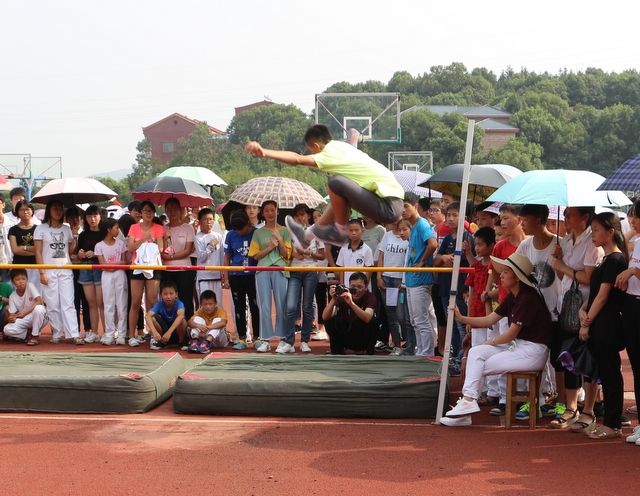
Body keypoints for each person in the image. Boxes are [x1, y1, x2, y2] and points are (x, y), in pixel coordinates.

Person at [440, 253, 552, 427]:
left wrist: (489, 342)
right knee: (476, 352)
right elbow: (489, 319)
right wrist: (462, 319)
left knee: (480, 365)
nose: (501, 275)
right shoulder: (513, 295)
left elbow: (510, 334)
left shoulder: (528, 298)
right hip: (519, 347)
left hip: (534, 352)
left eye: (506, 272)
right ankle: (468, 403)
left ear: (517, 277)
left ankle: (467, 406)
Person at [246, 124, 404, 246]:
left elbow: (297, 159)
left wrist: (264, 152)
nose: (314, 156)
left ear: (316, 146)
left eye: (312, 151)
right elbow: (353, 144)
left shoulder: (328, 155)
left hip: (387, 206)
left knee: (335, 183)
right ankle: (306, 236)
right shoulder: (342, 147)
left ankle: (340, 232)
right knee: (338, 193)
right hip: (389, 201)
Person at [574, 212, 628, 439]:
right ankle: (611, 422)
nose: (593, 234)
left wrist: (586, 322)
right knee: (605, 373)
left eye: (596, 230)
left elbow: (603, 296)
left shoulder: (615, 260)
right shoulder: (606, 259)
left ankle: (613, 424)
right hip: (599, 320)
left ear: (611, 232)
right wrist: (582, 309)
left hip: (607, 322)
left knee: (610, 373)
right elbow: (595, 293)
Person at [549, 207, 602, 429]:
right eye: (565, 214)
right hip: (566, 306)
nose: (566, 218)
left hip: (584, 308)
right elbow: (561, 275)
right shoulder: (566, 240)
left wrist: (563, 266)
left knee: (587, 358)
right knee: (568, 356)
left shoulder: (592, 242)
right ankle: (571, 408)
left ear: (585, 217)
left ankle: (589, 409)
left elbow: (590, 278)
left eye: (570, 214)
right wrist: (559, 261)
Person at [482, 203, 527, 414]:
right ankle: (503, 397)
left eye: (506, 218)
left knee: (524, 351)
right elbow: (492, 275)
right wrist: (487, 298)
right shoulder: (500, 247)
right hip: (504, 307)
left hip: (525, 308)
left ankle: (526, 397)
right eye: (500, 218)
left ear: (519, 220)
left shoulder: (528, 245)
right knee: (503, 350)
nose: (502, 222)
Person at [34, 199, 84, 345]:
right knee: (53, 303)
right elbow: (38, 252)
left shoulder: (67, 229)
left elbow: (70, 251)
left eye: (60, 208)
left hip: (65, 269)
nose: (58, 211)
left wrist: (75, 235)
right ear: (49, 210)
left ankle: (74, 334)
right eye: (55, 208)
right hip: (49, 269)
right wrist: (42, 272)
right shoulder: (40, 229)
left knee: (68, 302)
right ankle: (56, 333)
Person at [434, 202, 476, 367]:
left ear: (463, 217)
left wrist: (466, 252)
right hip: (446, 286)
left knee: (461, 326)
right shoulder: (447, 238)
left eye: (454, 215)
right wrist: (445, 258)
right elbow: (436, 260)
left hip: (460, 287)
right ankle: (453, 358)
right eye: (448, 215)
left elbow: (474, 263)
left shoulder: (468, 238)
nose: (450, 218)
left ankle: (460, 359)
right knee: (451, 325)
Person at [248, 200, 292, 353]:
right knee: (264, 306)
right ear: (262, 213)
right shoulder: (258, 233)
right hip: (262, 270)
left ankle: (282, 338)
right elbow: (255, 255)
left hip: (280, 269)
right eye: (266, 210)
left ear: (277, 211)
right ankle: (265, 339)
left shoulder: (284, 231)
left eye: (272, 210)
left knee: (281, 305)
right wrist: (271, 246)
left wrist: (280, 240)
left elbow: (286, 255)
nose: (270, 213)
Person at [281, 208, 325, 354]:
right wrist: (293, 254)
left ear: (308, 215)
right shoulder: (290, 232)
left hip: (310, 271)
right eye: (297, 215)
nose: (300, 218)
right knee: (290, 306)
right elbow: (285, 250)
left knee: (307, 306)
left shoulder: (316, 232)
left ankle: (304, 341)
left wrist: (306, 252)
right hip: (294, 271)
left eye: (302, 214)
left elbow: (322, 256)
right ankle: (289, 342)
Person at [615, 200, 640, 444]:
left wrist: (632, 272)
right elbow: (621, 241)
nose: (632, 222)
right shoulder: (637, 242)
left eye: (636, 217)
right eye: (631, 217)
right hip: (632, 306)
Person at [402, 194, 437, 357]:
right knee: (415, 320)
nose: (403, 210)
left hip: (420, 279)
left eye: (406, 206)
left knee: (421, 320)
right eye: (401, 207)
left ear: (415, 206)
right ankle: (422, 351)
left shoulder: (422, 224)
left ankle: (427, 352)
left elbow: (433, 243)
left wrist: (422, 261)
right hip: (412, 279)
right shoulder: (414, 225)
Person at [128, 201, 165, 347]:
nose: (148, 213)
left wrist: (151, 241)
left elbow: (161, 248)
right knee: (135, 302)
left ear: (154, 213)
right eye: (145, 211)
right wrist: (144, 239)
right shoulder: (134, 227)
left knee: (152, 301)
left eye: (150, 211)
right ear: (140, 213)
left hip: (153, 267)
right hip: (137, 267)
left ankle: (155, 334)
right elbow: (130, 247)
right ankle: (132, 335)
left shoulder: (158, 228)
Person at [222, 210, 259, 350]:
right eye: (236, 229)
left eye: (240, 229)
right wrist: (226, 277)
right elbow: (227, 257)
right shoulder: (230, 235)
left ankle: (257, 337)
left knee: (255, 306)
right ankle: (242, 338)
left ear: (248, 223)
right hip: (236, 275)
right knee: (239, 307)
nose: (238, 232)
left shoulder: (256, 233)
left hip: (253, 275)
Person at [376, 219, 410, 355]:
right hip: (387, 278)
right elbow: (381, 256)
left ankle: (409, 343)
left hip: (400, 280)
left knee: (402, 315)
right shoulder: (387, 235)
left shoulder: (408, 238)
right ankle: (397, 345)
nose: (401, 231)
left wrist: (404, 280)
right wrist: (379, 276)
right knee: (390, 314)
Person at [323, 271, 378, 355]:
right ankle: (337, 350)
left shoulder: (370, 297)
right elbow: (325, 317)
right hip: (346, 333)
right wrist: (333, 299)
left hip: (362, 336)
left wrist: (351, 304)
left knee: (374, 321)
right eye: (353, 287)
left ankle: (369, 351)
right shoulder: (343, 296)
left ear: (366, 287)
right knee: (330, 319)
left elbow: (367, 318)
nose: (356, 290)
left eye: (359, 287)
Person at [161, 197, 196, 322]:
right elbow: (161, 251)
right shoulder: (163, 229)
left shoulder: (188, 228)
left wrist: (171, 257)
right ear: (165, 211)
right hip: (167, 270)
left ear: (181, 210)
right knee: (168, 301)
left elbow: (188, 250)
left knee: (186, 300)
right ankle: (169, 327)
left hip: (184, 270)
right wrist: (165, 238)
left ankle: (188, 326)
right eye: (169, 209)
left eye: (175, 209)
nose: (172, 212)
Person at [94, 218, 128, 346]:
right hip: (107, 275)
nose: (118, 230)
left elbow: (124, 261)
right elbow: (102, 264)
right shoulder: (99, 246)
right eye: (116, 228)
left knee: (121, 304)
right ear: (109, 230)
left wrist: (113, 266)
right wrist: (112, 267)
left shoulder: (120, 244)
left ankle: (122, 334)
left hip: (119, 274)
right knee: (108, 304)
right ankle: (109, 334)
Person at [75, 205, 104, 343]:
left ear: (100, 216)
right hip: (85, 268)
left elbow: (109, 250)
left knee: (101, 302)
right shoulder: (83, 235)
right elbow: (79, 253)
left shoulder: (104, 233)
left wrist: (96, 253)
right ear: (85, 218)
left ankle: (107, 332)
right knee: (91, 302)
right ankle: (94, 332)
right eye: (89, 216)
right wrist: (80, 254)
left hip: (99, 267)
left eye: (95, 216)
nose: (92, 219)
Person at [3, 269, 48, 345]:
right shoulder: (12, 296)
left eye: (23, 279)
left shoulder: (30, 286)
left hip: (39, 316)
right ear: (12, 282)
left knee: (39, 308)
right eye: (18, 279)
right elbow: (12, 314)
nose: (21, 281)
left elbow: (39, 301)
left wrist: (24, 313)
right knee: (7, 329)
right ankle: (27, 334)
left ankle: (35, 336)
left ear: (27, 279)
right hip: (25, 319)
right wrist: (11, 318)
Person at [193, 207, 225, 304]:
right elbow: (202, 258)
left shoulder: (218, 236)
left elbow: (222, 257)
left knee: (218, 304)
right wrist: (210, 246)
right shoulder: (198, 238)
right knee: (205, 305)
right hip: (204, 277)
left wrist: (223, 273)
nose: (209, 222)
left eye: (211, 219)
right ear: (200, 222)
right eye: (205, 219)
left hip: (216, 276)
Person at [146, 279, 187, 350]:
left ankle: (181, 341)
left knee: (182, 319)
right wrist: (154, 332)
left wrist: (169, 333)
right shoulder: (159, 304)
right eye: (165, 294)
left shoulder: (179, 304)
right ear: (161, 295)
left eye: (171, 293)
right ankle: (162, 342)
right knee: (152, 318)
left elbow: (181, 315)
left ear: (176, 294)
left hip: (175, 332)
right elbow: (148, 316)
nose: (168, 297)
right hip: (164, 333)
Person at [8, 200, 39, 288]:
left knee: (35, 291)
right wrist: (34, 251)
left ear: (32, 211)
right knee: (20, 291)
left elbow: (39, 249)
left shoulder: (38, 229)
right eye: (22, 210)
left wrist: (23, 247)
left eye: (27, 209)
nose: (25, 212)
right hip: (19, 266)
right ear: (17, 212)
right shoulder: (13, 230)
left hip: (35, 266)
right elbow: (15, 250)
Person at [336, 218, 374, 286]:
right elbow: (341, 270)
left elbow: (369, 270)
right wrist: (342, 285)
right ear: (347, 232)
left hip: (361, 287)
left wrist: (365, 286)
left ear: (362, 231)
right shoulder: (343, 249)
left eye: (356, 230)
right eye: (351, 230)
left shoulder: (367, 249)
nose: (354, 233)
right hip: (347, 285)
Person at [0, 195, 17, 283]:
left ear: (3, 204)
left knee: (8, 290)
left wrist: (13, 264)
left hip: (8, 266)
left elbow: (16, 246)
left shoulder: (12, 223)